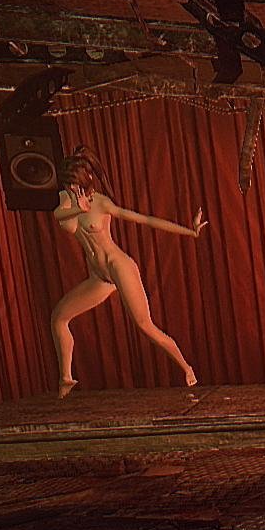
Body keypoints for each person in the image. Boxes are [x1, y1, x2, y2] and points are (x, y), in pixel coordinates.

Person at [49, 145, 208, 398]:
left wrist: (190, 232)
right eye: (68, 186)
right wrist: (78, 206)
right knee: (59, 318)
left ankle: (186, 367)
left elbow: (144, 219)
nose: (71, 189)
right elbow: (59, 215)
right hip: (98, 276)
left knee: (145, 325)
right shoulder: (66, 201)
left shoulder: (101, 203)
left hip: (118, 266)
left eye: (75, 185)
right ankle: (66, 379)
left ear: (86, 181)